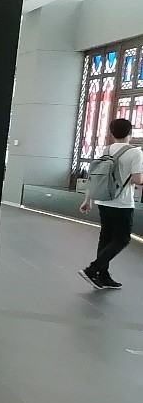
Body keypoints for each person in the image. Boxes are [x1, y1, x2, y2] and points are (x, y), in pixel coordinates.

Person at [80, 117, 142, 289]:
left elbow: (96, 177)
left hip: (103, 199)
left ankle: (103, 275)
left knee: (106, 237)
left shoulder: (106, 150)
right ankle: (92, 269)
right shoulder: (135, 153)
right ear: (130, 133)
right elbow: (138, 179)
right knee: (122, 239)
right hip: (122, 203)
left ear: (112, 133)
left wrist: (88, 199)